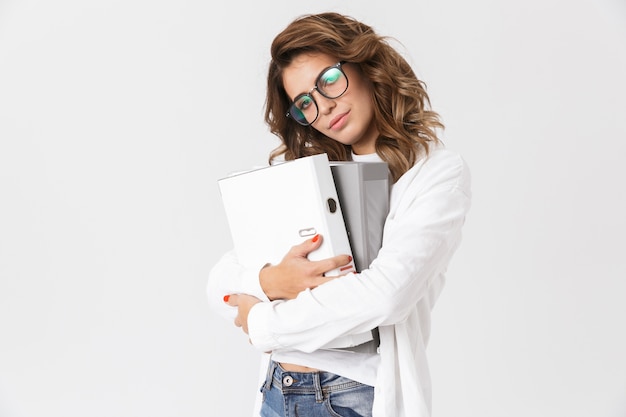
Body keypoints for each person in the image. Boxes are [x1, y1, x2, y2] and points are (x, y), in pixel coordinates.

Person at [207, 12, 471, 417]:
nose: (325, 108)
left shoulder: (435, 173)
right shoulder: (310, 173)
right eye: (305, 103)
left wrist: (263, 320)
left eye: (328, 81)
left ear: (366, 65)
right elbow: (220, 282)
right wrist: (270, 279)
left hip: (354, 397)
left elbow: (386, 296)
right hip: (279, 389)